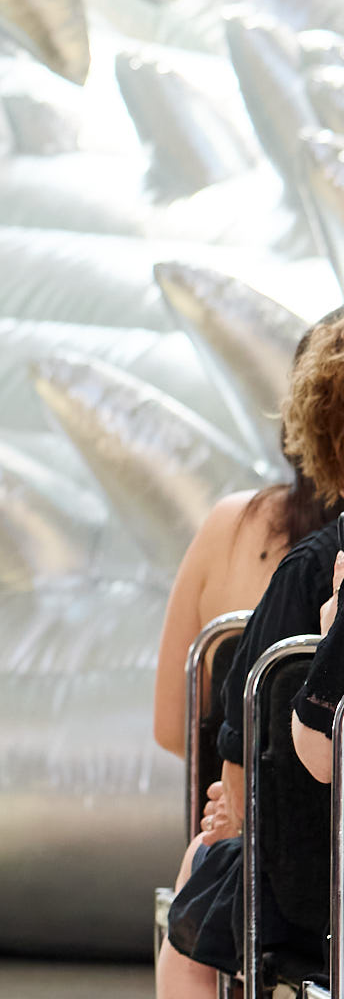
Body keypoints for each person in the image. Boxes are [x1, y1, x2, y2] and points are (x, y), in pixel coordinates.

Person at [136, 319, 344, 999]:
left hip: (311, 901)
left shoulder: (290, 561)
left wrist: (231, 810)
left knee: (203, 896)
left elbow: (236, 748)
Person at [151, 315, 344, 761]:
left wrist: (235, 781)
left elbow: (172, 726)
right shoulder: (314, 561)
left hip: (244, 793)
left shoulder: (232, 525)